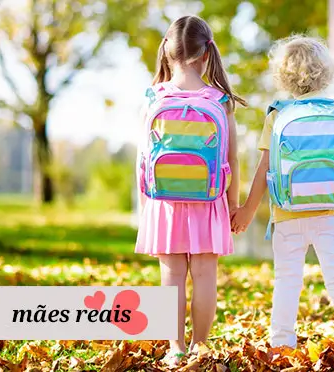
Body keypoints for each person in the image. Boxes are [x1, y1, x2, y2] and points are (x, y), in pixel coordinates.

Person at [231, 35, 334, 357]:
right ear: (326, 72)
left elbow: (264, 170)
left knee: (287, 281)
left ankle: (281, 344)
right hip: (330, 215)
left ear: (282, 75)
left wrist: (246, 211)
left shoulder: (277, 115)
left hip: (287, 215)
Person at [135, 15, 245, 367]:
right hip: (208, 200)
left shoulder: (153, 97)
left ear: (167, 52)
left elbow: (143, 161)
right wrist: (233, 204)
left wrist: (144, 208)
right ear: (206, 54)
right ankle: (200, 345)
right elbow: (232, 159)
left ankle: (175, 347)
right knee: (204, 275)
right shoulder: (220, 100)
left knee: (171, 276)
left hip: (163, 201)